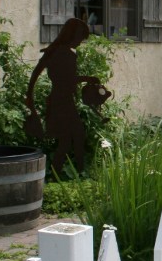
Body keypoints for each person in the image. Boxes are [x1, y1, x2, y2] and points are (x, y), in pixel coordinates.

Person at [26, 17, 106, 174]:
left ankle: (60, 172)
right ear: (72, 35)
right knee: (76, 135)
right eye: (80, 38)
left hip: (62, 99)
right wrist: (87, 78)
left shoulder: (58, 51)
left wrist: (29, 94)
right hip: (61, 101)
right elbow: (66, 80)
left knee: (66, 140)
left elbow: (38, 72)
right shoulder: (62, 53)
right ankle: (79, 172)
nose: (80, 42)